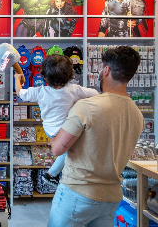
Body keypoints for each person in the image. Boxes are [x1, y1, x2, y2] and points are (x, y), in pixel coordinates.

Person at [47, 46, 143, 227]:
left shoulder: (87, 107)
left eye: (101, 68)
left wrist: (52, 136)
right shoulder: (136, 113)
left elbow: (57, 148)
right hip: (111, 198)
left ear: (106, 70)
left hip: (78, 193)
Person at [14, 55, 99, 187]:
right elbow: (95, 93)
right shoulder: (74, 90)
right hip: (66, 131)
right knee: (72, 150)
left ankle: (55, 174)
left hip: (49, 130)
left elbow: (20, 93)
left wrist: (17, 79)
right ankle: (51, 174)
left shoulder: (40, 91)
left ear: (44, 76)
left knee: (70, 151)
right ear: (71, 75)